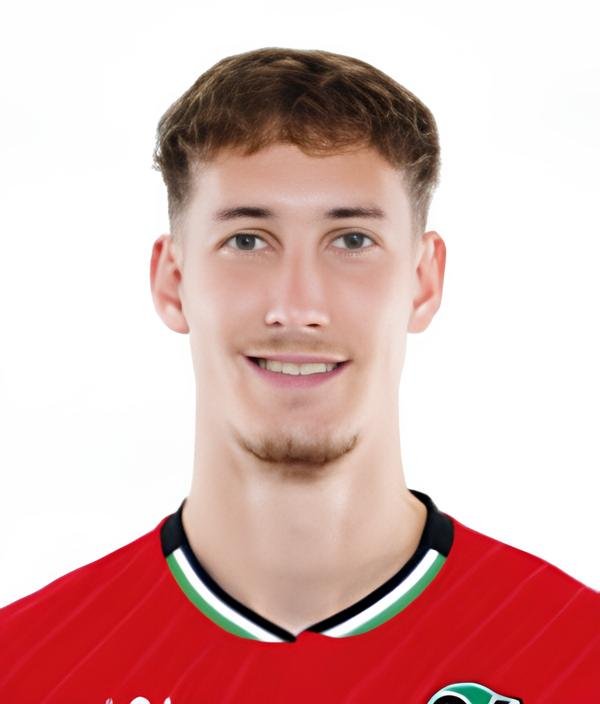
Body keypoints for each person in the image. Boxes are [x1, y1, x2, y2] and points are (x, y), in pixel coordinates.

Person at [1, 47, 597, 704]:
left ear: (424, 281)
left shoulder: (577, 656)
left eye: (352, 241)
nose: (298, 306)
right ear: (172, 282)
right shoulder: (25, 670)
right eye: (248, 240)